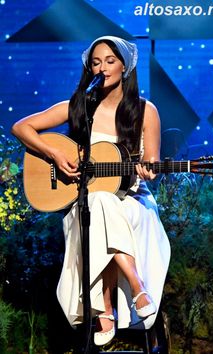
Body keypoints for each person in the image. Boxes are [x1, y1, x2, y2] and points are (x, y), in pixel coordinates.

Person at [11, 36, 171, 347]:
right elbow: (22, 127)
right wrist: (55, 154)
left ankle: (105, 310)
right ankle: (138, 288)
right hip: (84, 200)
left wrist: (148, 168)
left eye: (110, 61)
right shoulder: (79, 105)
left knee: (104, 203)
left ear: (124, 66)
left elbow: (152, 161)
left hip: (133, 200)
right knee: (98, 200)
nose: (103, 67)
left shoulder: (144, 110)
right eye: (96, 62)